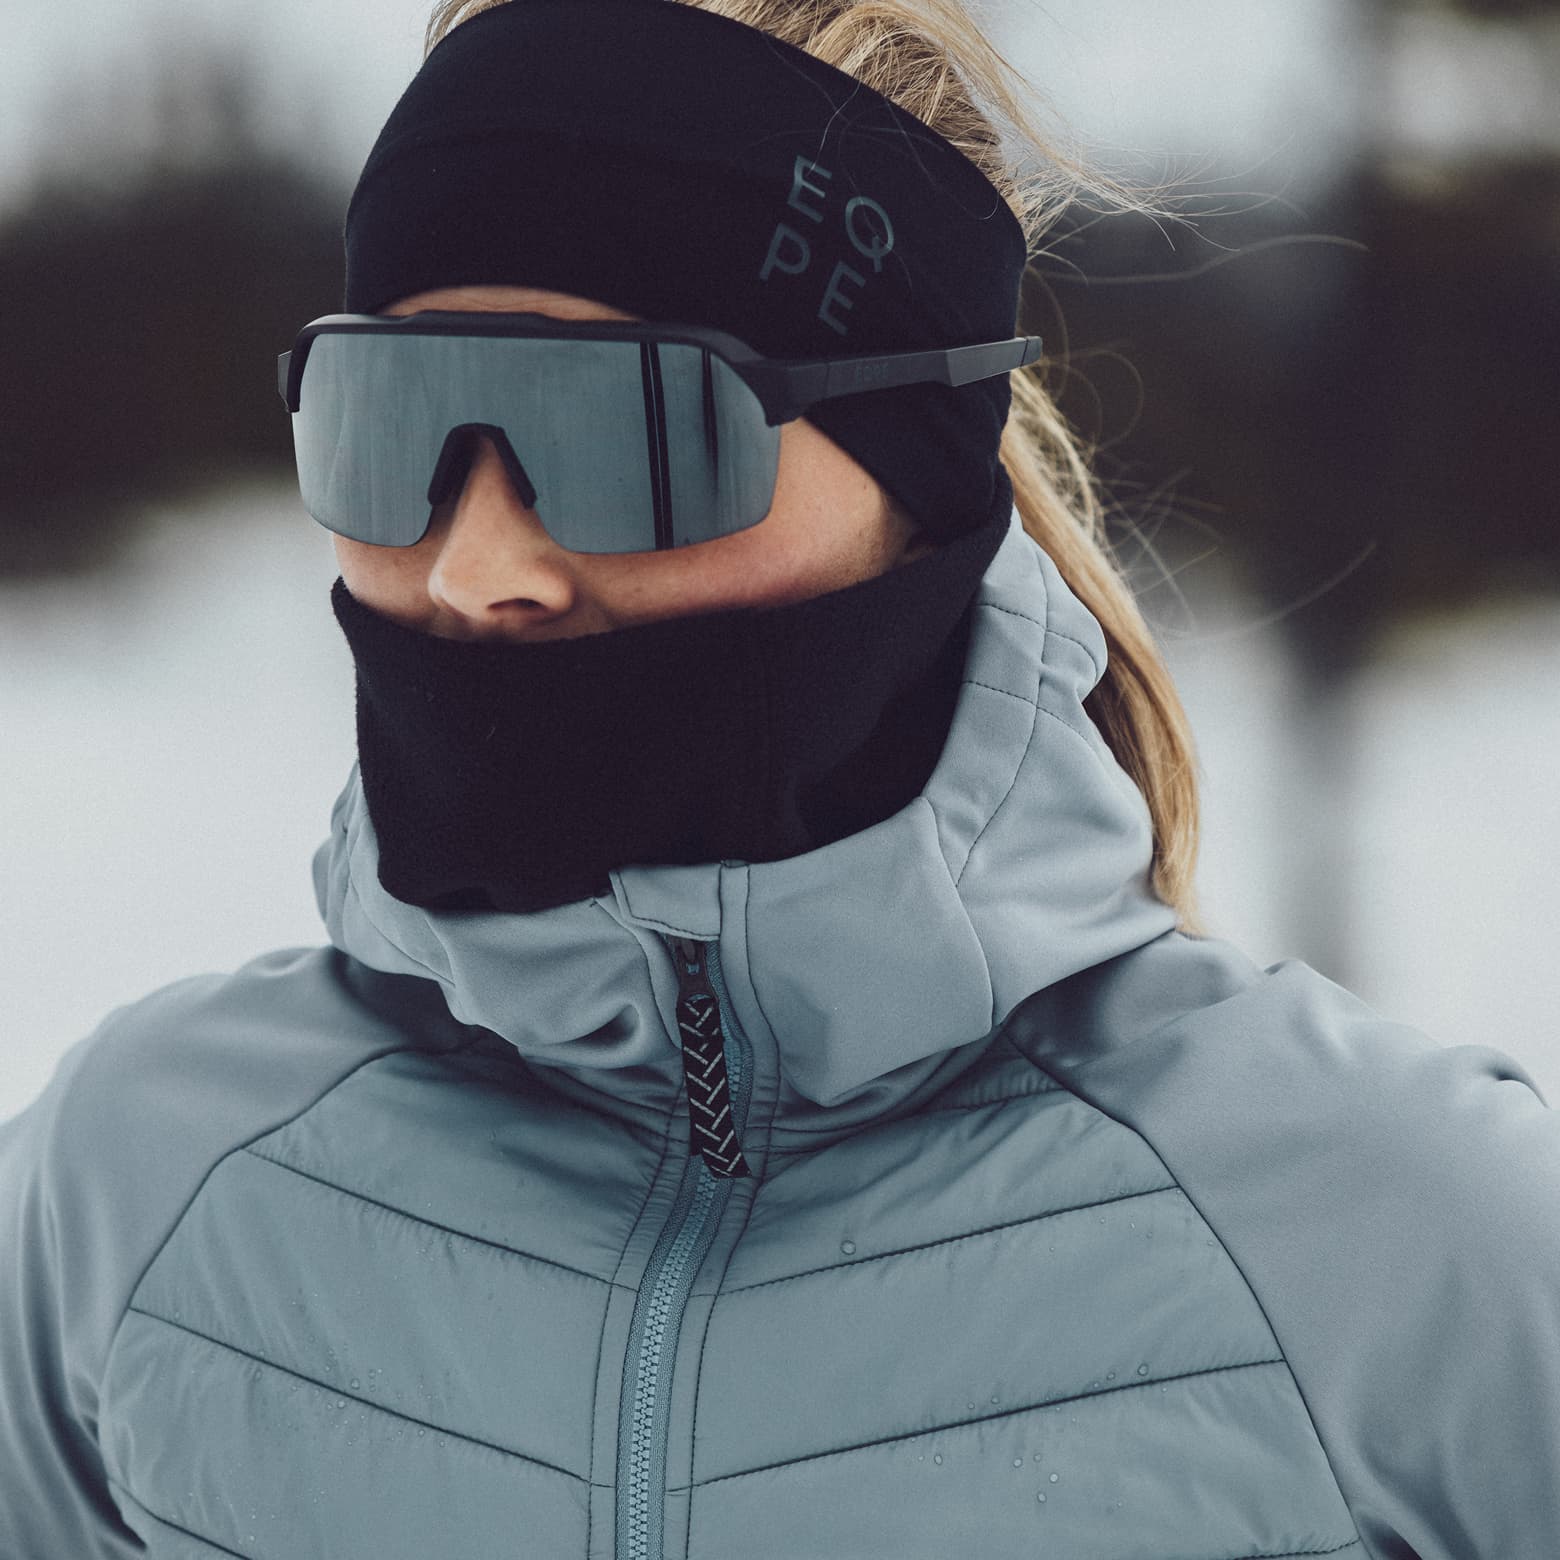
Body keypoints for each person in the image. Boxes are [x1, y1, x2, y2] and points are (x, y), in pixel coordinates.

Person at [2, 0, 1556, 1554]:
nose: (479, 568)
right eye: (387, 420)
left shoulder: (1399, 1246)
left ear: (919, 471)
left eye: (636, 434)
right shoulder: (133, 1197)